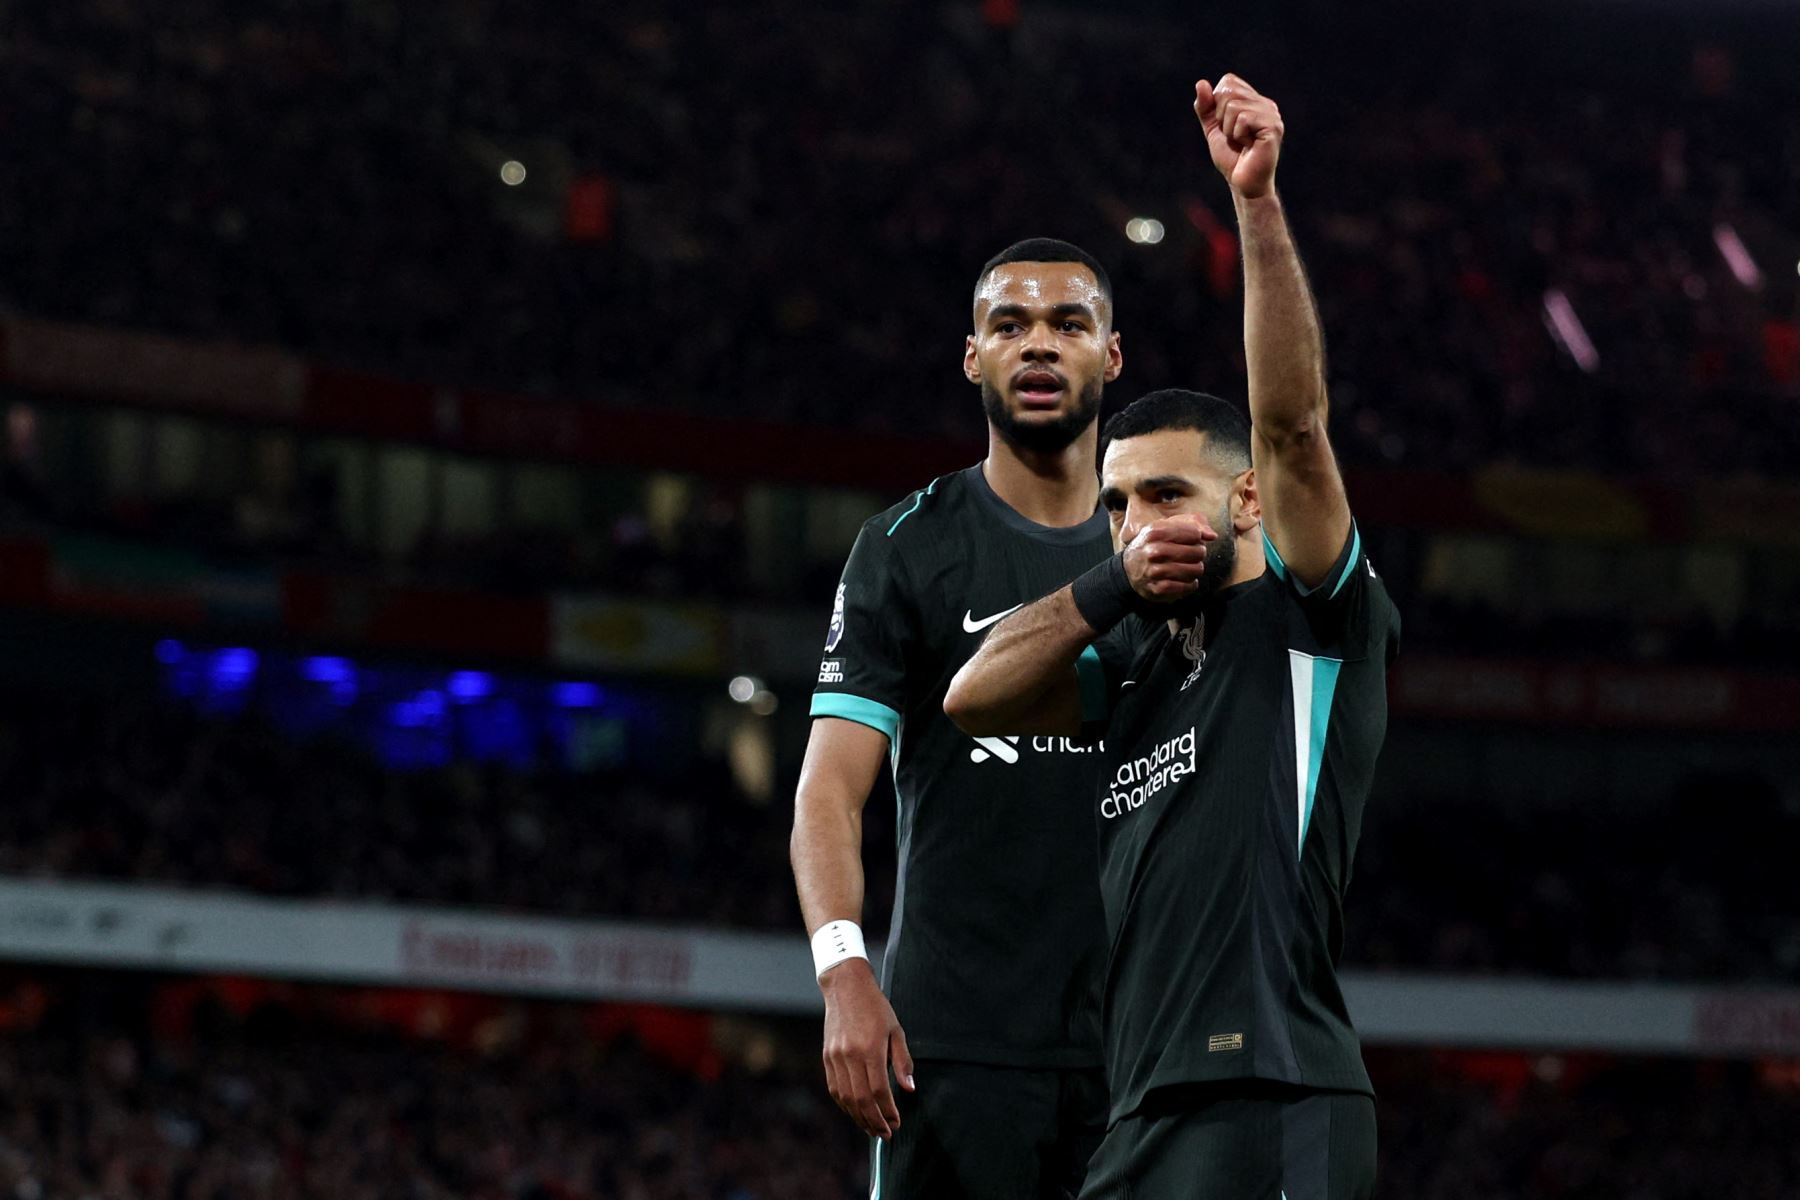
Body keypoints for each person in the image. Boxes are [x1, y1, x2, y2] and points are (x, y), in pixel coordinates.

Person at [943, 76, 1399, 1199]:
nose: (1137, 524)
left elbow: (1292, 425)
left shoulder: (1308, 612)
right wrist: (1110, 582)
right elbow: (972, 697)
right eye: (1116, 505)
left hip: (1274, 1098)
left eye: (1162, 496)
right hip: (1137, 1113)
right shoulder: (1135, 660)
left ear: (1244, 503)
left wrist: (1255, 204)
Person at [791, 238, 1123, 1199]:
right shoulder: (905, 547)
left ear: (1112, 354)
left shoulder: (1166, 545)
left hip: (1140, 1037)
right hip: (952, 1040)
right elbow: (828, 791)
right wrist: (844, 973)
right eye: (1009, 325)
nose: (1039, 347)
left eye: (1069, 324)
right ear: (973, 356)